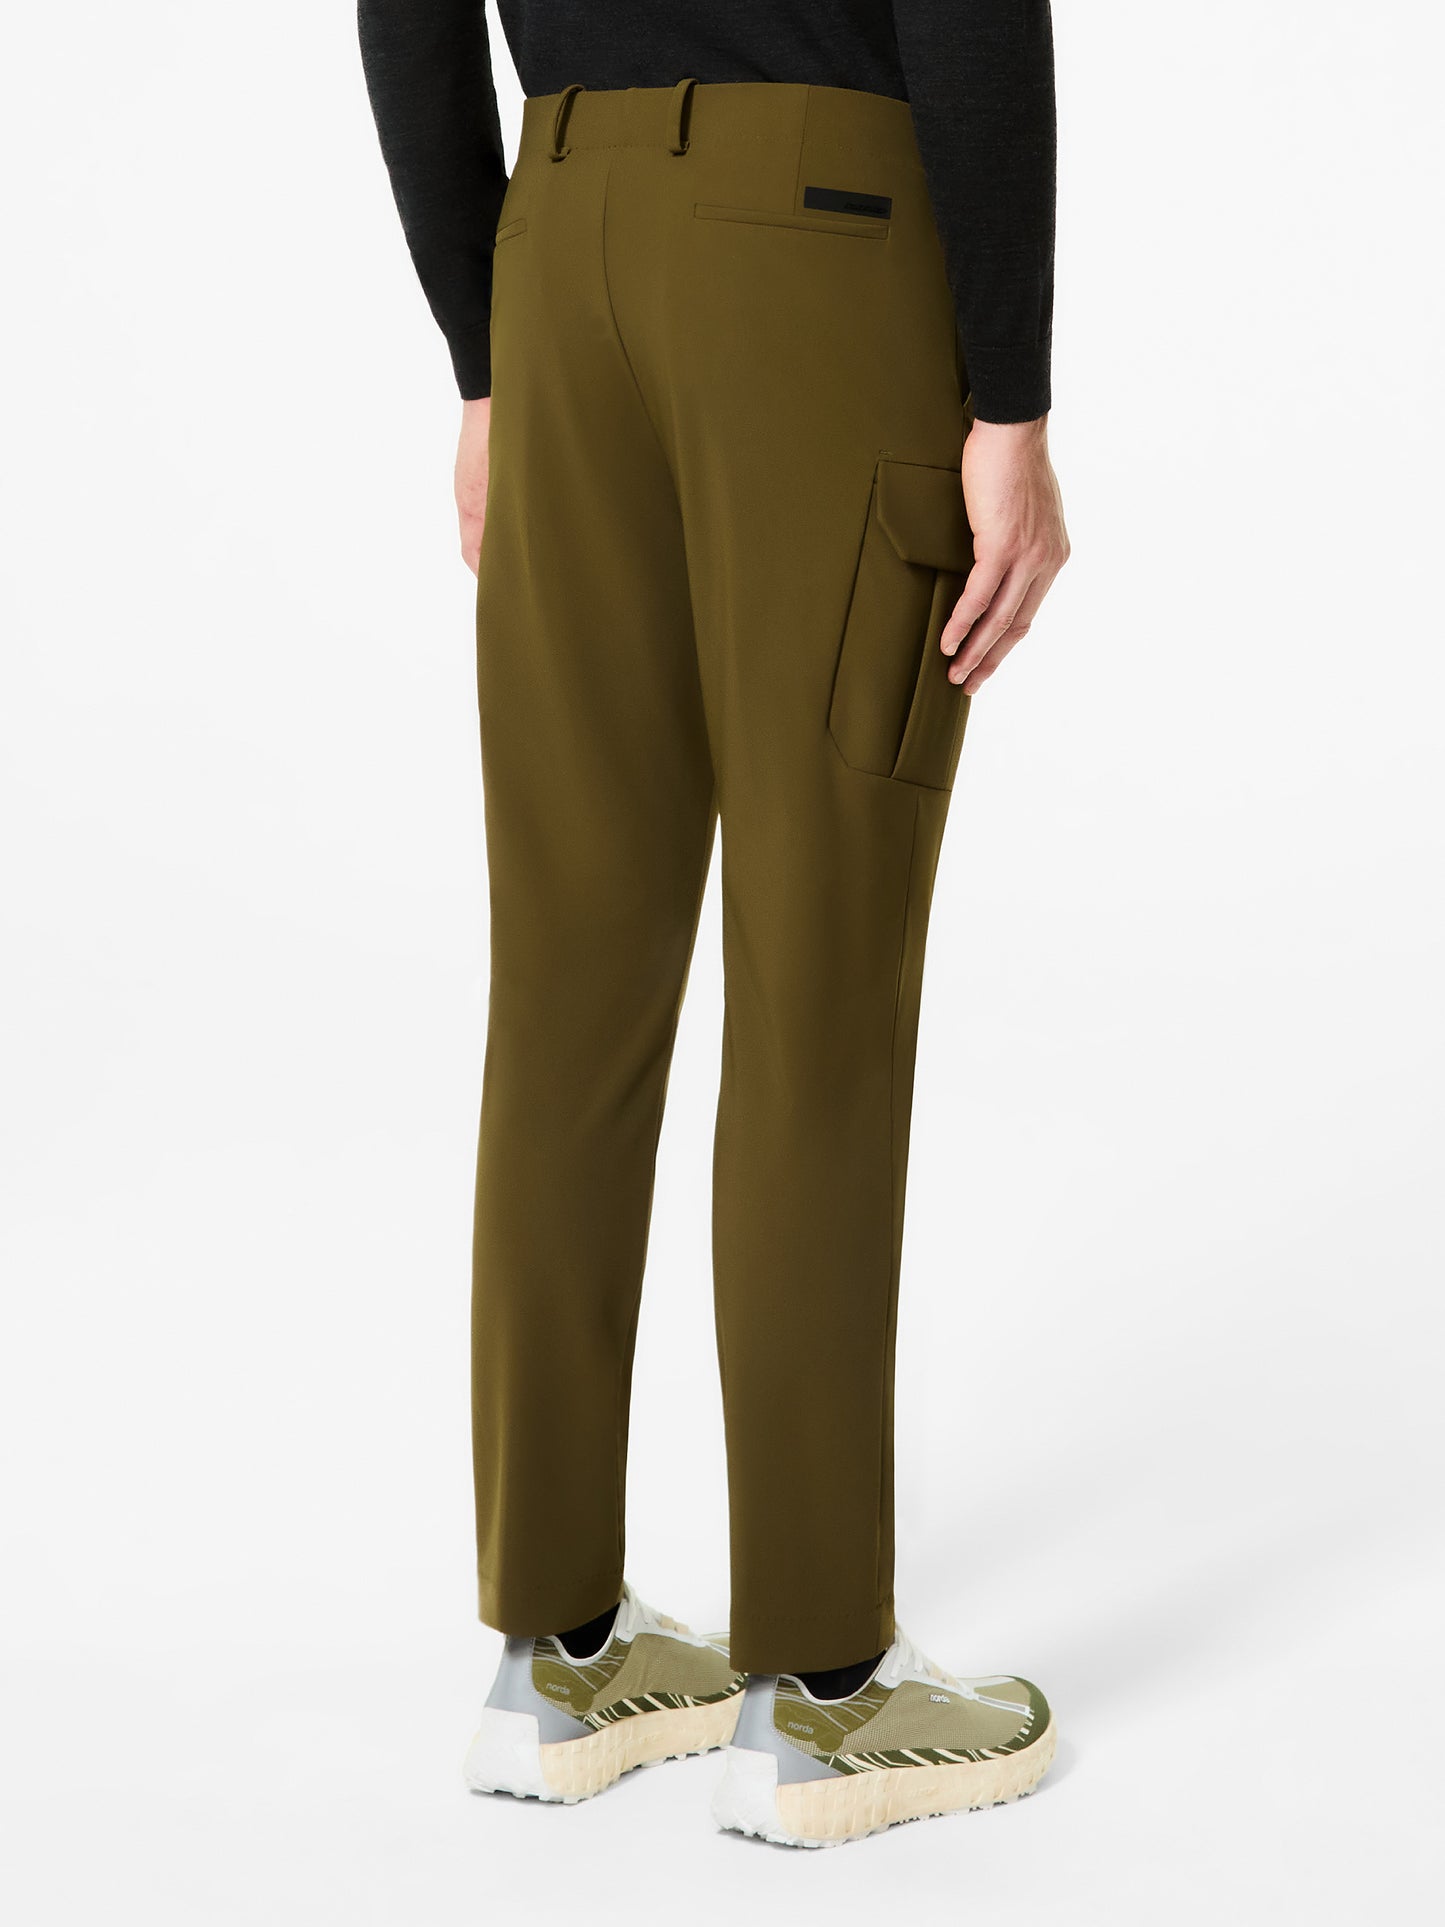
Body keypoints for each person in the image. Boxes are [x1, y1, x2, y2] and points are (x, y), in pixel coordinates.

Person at [358, 1, 1070, 1846]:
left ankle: (558, 1653)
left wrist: (488, 358)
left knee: (569, 980)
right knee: (818, 965)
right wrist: (1009, 399)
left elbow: (409, 18)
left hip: (556, 244)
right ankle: (824, 1689)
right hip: (819, 245)